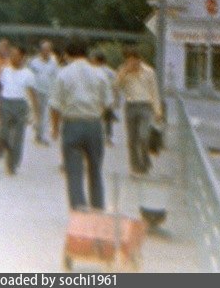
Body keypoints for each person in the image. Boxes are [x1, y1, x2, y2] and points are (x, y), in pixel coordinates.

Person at [50, 36, 113, 210]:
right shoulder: (99, 73)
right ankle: (97, 208)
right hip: (94, 124)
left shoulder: (63, 74)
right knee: (95, 169)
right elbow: (108, 103)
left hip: (72, 124)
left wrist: (55, 128)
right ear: (87, 53)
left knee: (73, 171)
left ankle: (79, 209)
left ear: (67, 54)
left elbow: (55, 105)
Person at [116, 48, 162, 178]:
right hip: (130, 105)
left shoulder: (149, 71)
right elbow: (116, 87)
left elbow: (154, 91)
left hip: (145, 105)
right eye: (128, 60)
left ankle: (145, 162)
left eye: (133, 60)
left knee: (143, 135)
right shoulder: (123, 70)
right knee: (132, 138)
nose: (131, 63)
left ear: (138, 59)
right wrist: (124, 73)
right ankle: (135, 166)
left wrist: (157, 110)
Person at [0, 44, 38, 175]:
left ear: (22, 57)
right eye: (11, 55)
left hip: (20, 104)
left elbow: (32, 94)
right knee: (3, 132)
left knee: (18, 136)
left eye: (15, 55)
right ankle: (0, 148)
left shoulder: (28, 74)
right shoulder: (5, 70)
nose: (12, 57)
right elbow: (0, 89)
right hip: (6, 103)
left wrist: (36, 112)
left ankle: (12, 164)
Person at [28, 40, 58, 146]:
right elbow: (29, 77)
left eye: (48, 49)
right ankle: (38, 132)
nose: (46, 51)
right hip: (36, 91)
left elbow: (55, 77)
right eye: (44, 49)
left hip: (48, 91)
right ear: (41, 50)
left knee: (45, 114)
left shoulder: (53, 63)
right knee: (37, 113)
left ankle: (42, 136)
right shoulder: (34, 62)